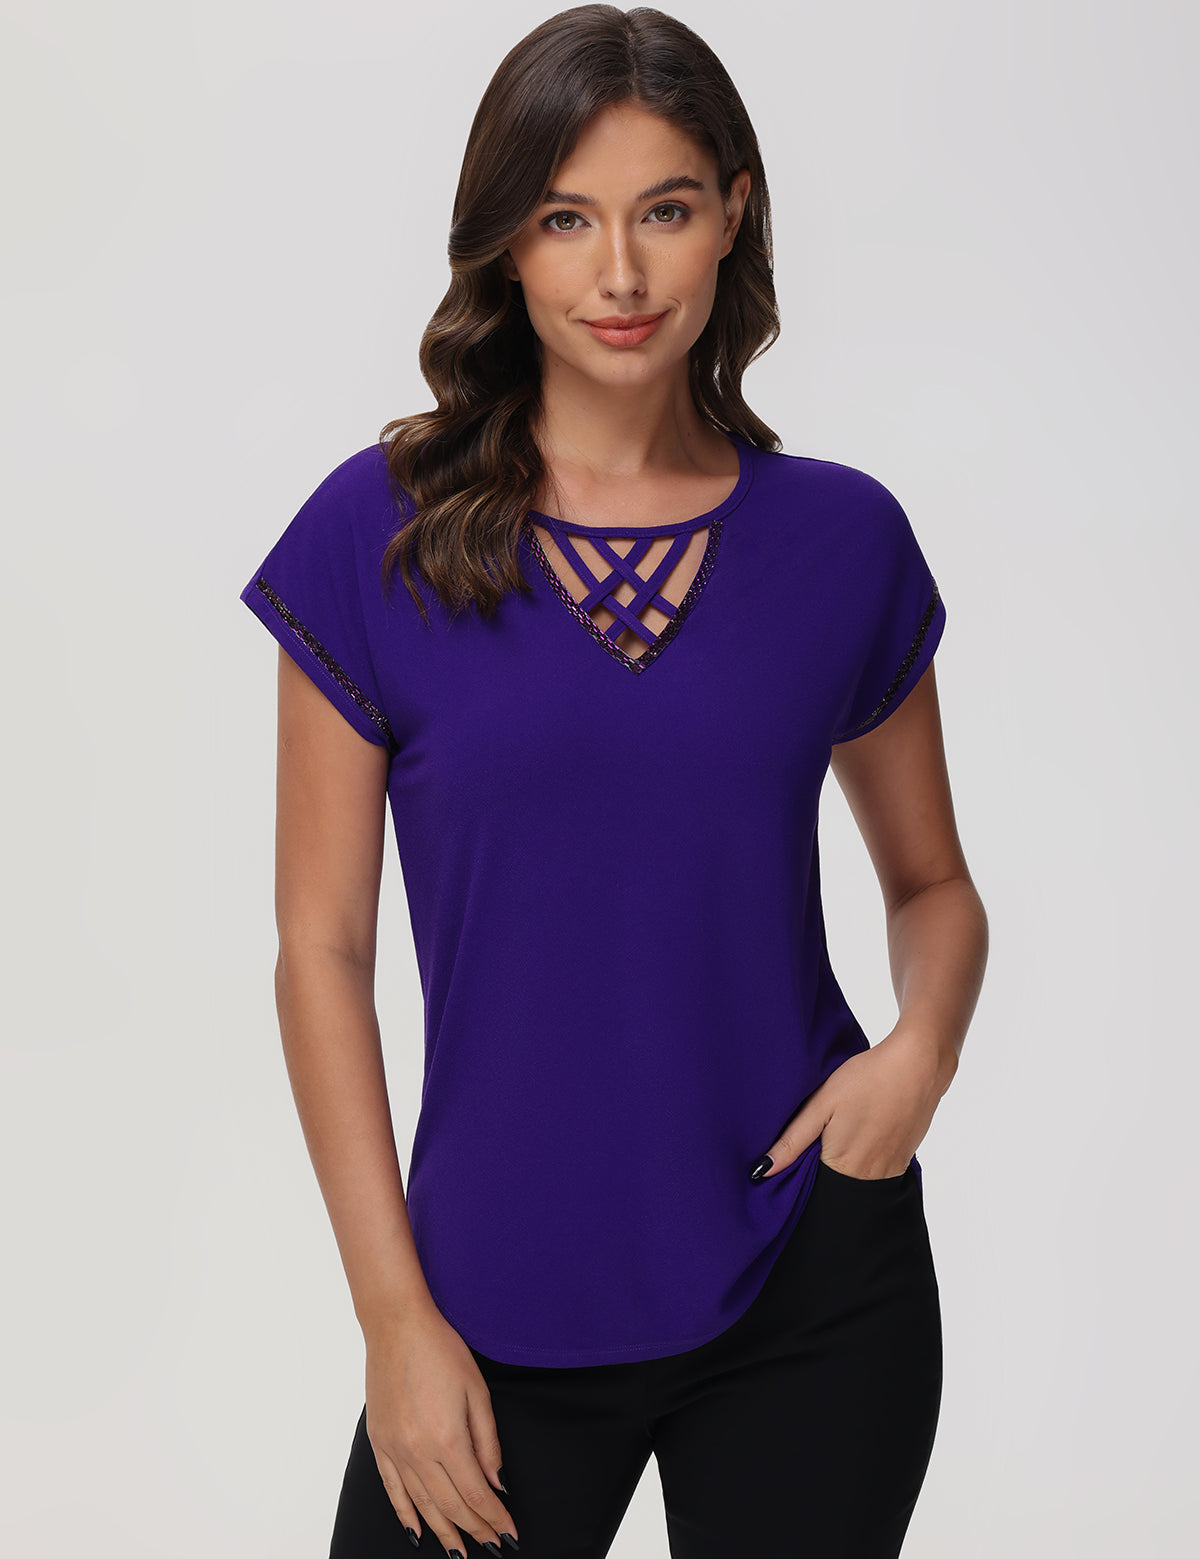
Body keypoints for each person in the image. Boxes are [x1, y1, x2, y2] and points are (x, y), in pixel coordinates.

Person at [238, 7, 988, 1556]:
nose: (622, 273)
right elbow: (320, 949)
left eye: (667, 210)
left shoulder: (841, 542)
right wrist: (394, 1320)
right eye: (566, 218)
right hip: (485, 1305)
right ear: (506, 244)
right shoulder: (376, 536)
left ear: (734, 215)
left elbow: (932, 886)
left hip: (809, 1276)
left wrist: (917, 1059)